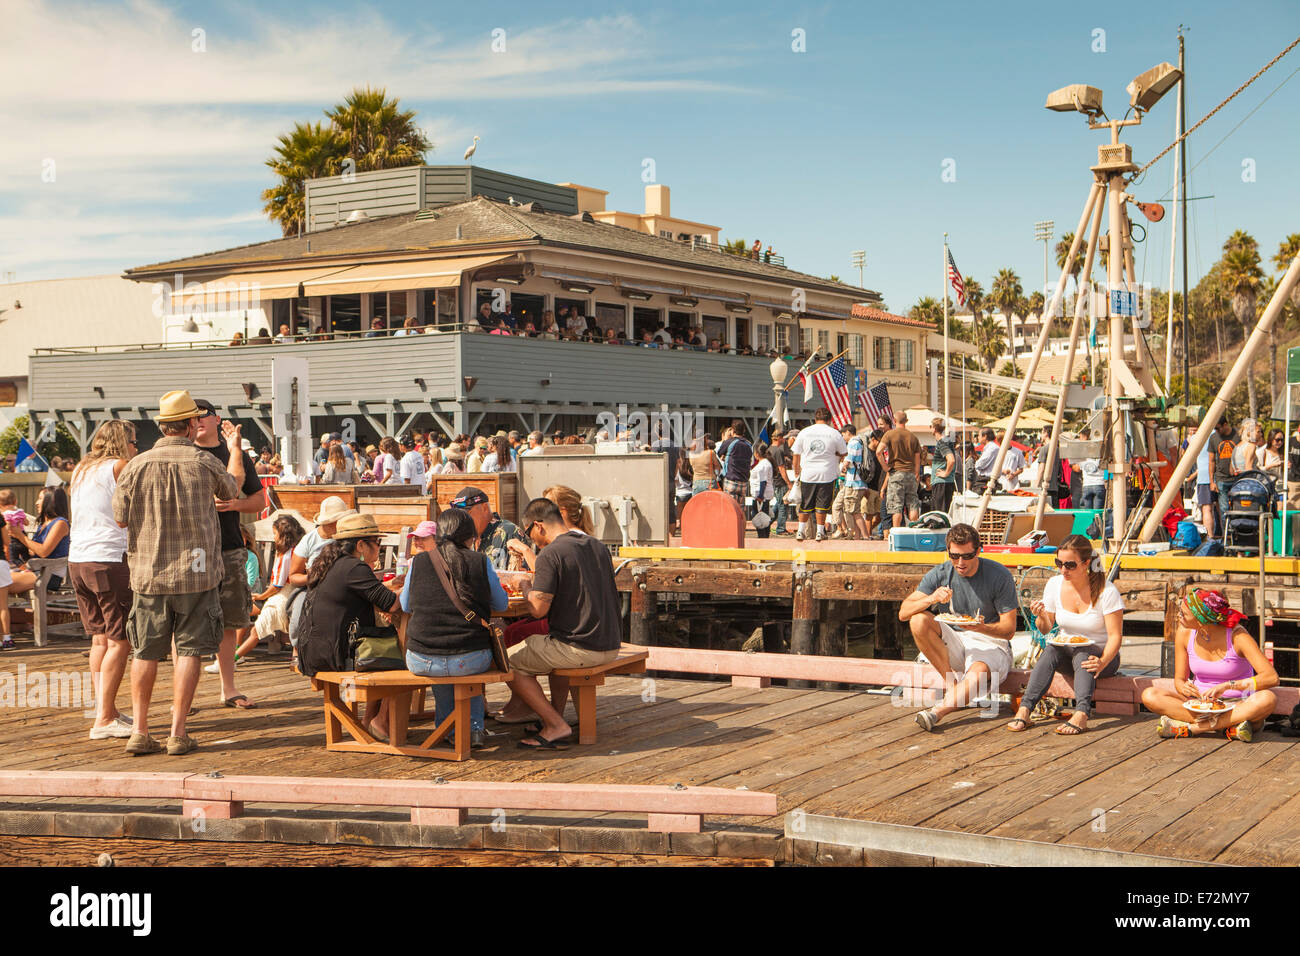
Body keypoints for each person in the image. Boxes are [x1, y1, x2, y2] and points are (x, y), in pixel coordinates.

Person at [112, 390, 243, 756]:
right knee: (189, 652)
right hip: (197, 572)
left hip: (149, 574)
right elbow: (232, 491)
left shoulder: (136, 465)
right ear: (190, 425)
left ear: (161, 426)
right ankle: (178, 732)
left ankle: (139, 730)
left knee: (145, 652)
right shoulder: (203, 461)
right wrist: (235, 452)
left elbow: (120, 517)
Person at [498, 498, 622, 749]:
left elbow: (537, 610)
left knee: (506, 661)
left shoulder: (551, 553)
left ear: (538, 526)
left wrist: (524, 585)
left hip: (580, 647)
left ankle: (555, 724)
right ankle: (552, 715)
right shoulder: (596, 545)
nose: (532, 539)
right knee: (546, 644)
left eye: (529, 532)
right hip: (610, 643)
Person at [398, 508, 508, 750]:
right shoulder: (480, 561)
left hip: (421, 658)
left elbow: (405, 605)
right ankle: (473, 729)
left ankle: (446, 728)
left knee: (440, 661)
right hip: (471, 659)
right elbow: (501, 604)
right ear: (471, 537)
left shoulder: (417, 562)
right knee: (463, 659)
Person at [899, 523, 1017, 732]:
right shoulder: (941, 573)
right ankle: (953, 686)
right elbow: (904, 612)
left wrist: (980, 628)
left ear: (978, 551)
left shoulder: (999, 575)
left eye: (967, 556)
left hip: (991, 642)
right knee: (918, 619)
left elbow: (1009, 629)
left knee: (978, 670)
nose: (960, 562)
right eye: (954, 556)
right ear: (948, 552)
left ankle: (936, 713)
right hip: (956, 637)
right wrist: (931, 599)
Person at [190, 399, 267, 710]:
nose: (197, 421)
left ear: (217, 417)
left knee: (229, 619)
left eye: (203, 415)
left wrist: (235, 505)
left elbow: (260, 500)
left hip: (229, 546)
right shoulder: (184, 453)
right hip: (192, 550)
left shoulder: (232, 454)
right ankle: (185, 696)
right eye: (191, 417)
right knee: (187, 624)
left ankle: (228, 688)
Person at [1007, 535, 1123, 735]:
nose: (1063, 570)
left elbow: (1115, 637)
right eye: (1059, 563)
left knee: (1083, 652)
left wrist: (1103, 661)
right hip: (1068, 654)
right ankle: (1025, 709)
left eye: (1069, 565)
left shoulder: (1107, 591)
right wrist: (1041, 615)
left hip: (1102, 658)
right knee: (1052, 649)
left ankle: (1082, 714)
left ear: (1086, 563)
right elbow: (1045, 629)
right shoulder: (1054, 584)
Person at [65, 420, 137, 739]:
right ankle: (105, 718)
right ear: (123, 442)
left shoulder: (80, 469)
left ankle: (103, 708)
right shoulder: (120, 466)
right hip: (107, 558)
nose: (136, 448)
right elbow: (132, 511)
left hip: (78, 558)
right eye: (133, 442)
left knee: (99, 638)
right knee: (121, 639)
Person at [299, 514, 399, 739]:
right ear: (361, 545)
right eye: (378, 542)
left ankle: (368, 721)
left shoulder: (332, 562)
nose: (379, 548)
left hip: (315, 650)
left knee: (385, 651)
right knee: (404, 657)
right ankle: (381, 722)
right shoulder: (354, 568)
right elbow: (392, 604)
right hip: (333, 655)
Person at [1141, 589, 1278, 741]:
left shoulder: (1238, 636)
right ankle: (1228, 727)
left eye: (1183, 613)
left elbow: (1271, 678)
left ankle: (1193, 728)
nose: (1178, 615)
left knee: (1267, 698)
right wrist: (1182, 686)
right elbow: (1179, 679)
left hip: (1239, 705)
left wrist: (1228, 686)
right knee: (1150, 695)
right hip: (1200, 705)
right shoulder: (1184, 632)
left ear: (1201, 620)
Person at [244, 514, 304, 657]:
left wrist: (261, 596)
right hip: (281, 594)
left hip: (281, 596)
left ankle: (234, 656)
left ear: (284, 536)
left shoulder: (287, 555)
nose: (274, 537)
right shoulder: (292, 552)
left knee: (251, 623)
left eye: (275, 534)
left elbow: (278, 585)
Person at [791, 407, 848, 542]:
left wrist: (796, 472)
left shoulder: (805, 432)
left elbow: (796, 454)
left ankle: (800, 531)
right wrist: (835, 455)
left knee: (806, 504)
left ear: (815, 418)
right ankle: (820, 532)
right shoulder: (834, 433)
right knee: (822, 504)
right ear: (829, 420)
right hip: (827, 473)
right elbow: (844, 452)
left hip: (808, 473)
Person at [450, 486, 533, 570]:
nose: (464, 521)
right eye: (461, 517)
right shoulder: (467, 537)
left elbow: (527, 575)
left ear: (484, 508)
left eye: (468, 515)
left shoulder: (509, 532)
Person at [836, 425, 869, 540]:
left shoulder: (853, 443)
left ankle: (865, 536)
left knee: (854, 511)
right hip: (858, 482)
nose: (843, 437)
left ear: (848, 432)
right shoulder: (859, 442)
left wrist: (843, 467)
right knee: (855, 510)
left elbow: (849, 459)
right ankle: (858, 536)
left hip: (854, 482)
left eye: (843, 434)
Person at [1209, 418, 1239, 540]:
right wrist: (1212, 481)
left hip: (1237, 479)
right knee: (1224, 510)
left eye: (1218, 428)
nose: (1216, 431)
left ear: (1225, 424)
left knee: (1238, 508)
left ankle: (1239, 534)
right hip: (1221, 479)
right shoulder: (1214, 438)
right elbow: (1211, 460)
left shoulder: (1238, 435)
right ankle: (1227, 536)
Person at [716, 420, 753, 507]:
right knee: (740, 508)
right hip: (744, 480)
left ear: (733, 430)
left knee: (729, 507)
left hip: (731, 479)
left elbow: (719, 453)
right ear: (744, 430)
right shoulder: (749, 444)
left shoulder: (729, 442)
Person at [766, 428, 792, 536]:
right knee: (783, 505)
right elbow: (782, 469)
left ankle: (767, 523)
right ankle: (781, 529)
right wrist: (789, 483)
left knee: (778, 504)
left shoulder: (769, 450)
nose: (785, 440)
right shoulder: (778, 451)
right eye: (783, 438)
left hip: (773, 480)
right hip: (780, 481)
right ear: (780, 438)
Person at [930, 419, 957, 514]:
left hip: (942, 483)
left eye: (931, 426)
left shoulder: (942, 442)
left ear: (934, 429)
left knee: (939, 514)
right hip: (946, 482)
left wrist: (945, 473)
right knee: (943, 513)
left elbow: (951, 459)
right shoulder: (946, 441)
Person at [973, 427, 1000, 493]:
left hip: (986, 480)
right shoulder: (989, 448)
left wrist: (976, 463)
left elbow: (980, 464)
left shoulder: (992, 448)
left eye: (979, 435)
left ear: (984, 436)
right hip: (985, 479)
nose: (978, 437)